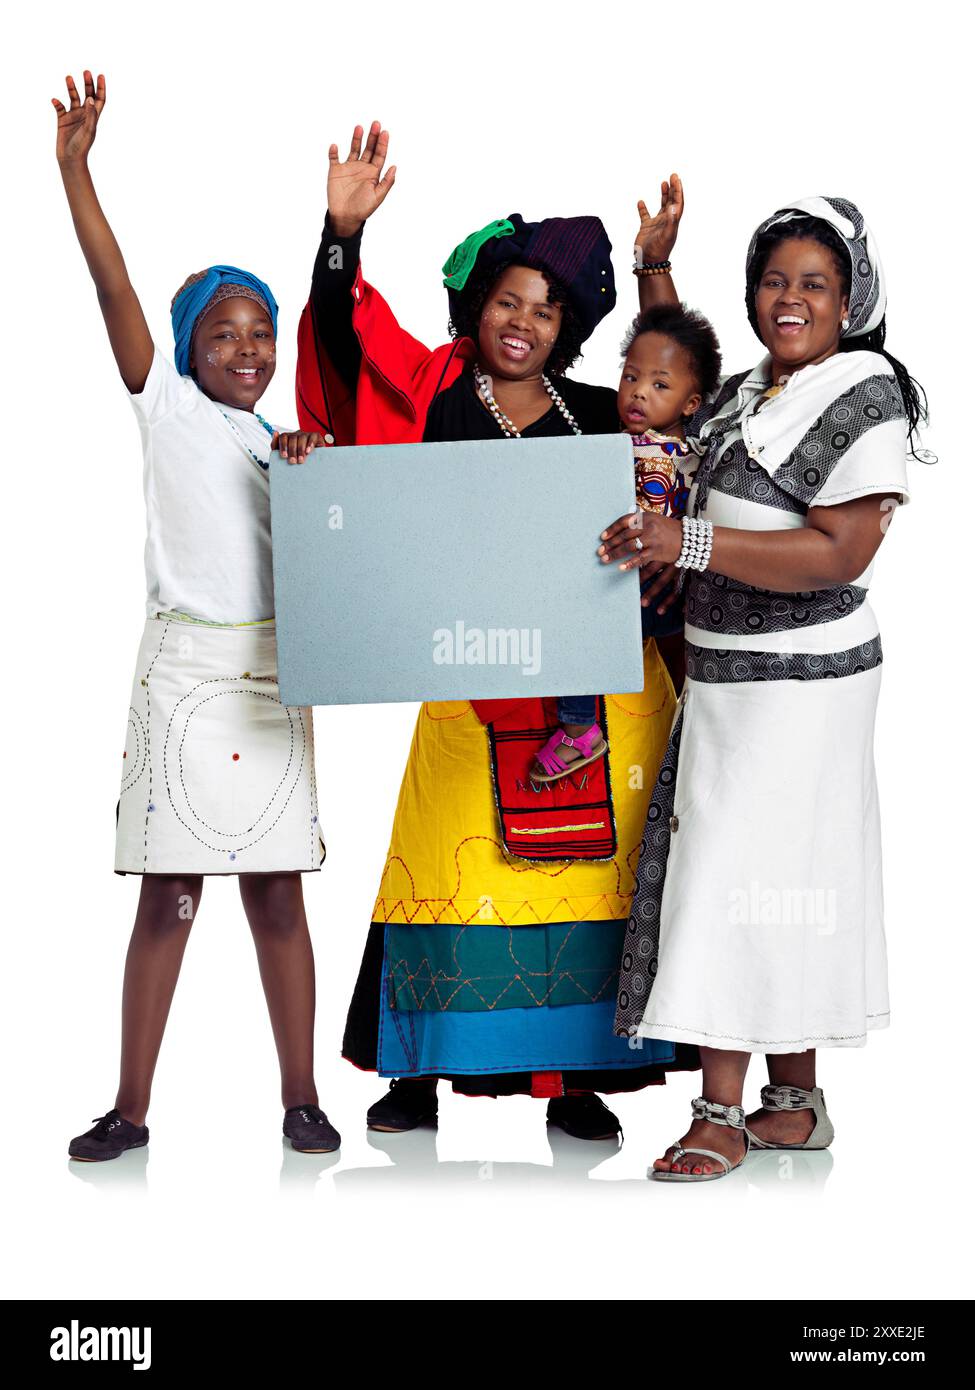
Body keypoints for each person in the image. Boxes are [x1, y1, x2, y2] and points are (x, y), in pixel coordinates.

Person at [297, 123, 698, 1141]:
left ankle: (575, 1074)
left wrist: (657, 269)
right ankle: (416, 1069)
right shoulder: (436, 395)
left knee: (579, 876)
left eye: (545, 308)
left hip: (592, 692)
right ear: (477, 308)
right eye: (506, 301)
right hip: (470, 683)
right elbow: (348, 354)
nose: (523, 321)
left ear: (567, 327)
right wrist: (341, 232)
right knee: (443, 863)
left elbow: (677, 391)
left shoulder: (606, 411)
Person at [601, 177, 927, 1180]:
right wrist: (655, 267)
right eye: (774, 280)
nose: (792, 297)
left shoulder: (865, 394)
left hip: (802, 687)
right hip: (731, 679)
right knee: (782, 882)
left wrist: (686, 539)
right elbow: (676, 380)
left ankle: (719, 1114)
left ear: (851, 300)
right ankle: (794, 1103)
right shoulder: (754, 390)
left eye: (816, 284)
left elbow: (839, 554)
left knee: (737, 882)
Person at [54, 70, 339, 1161]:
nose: (248, 349)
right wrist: (78, 174)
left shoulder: (285, 447)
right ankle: (130, 1107)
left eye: (261, 331)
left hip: (275, 673)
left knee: (276, 894)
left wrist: (314, 469)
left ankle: (301, 1096)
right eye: (224, 333)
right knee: (170, 892)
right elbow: (115, 289)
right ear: (185, 348)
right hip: (184, 671)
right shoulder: (165, 404)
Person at [530, 303, 721, 784]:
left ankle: (578, 729)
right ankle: (694, 728)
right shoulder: (633, 440)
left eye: (660, 385)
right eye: (630, 377)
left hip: (659, 588)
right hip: (652, 589)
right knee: (683, 682)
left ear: (691, 404)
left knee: (581, 628)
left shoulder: (672, 450)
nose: (638, 392)